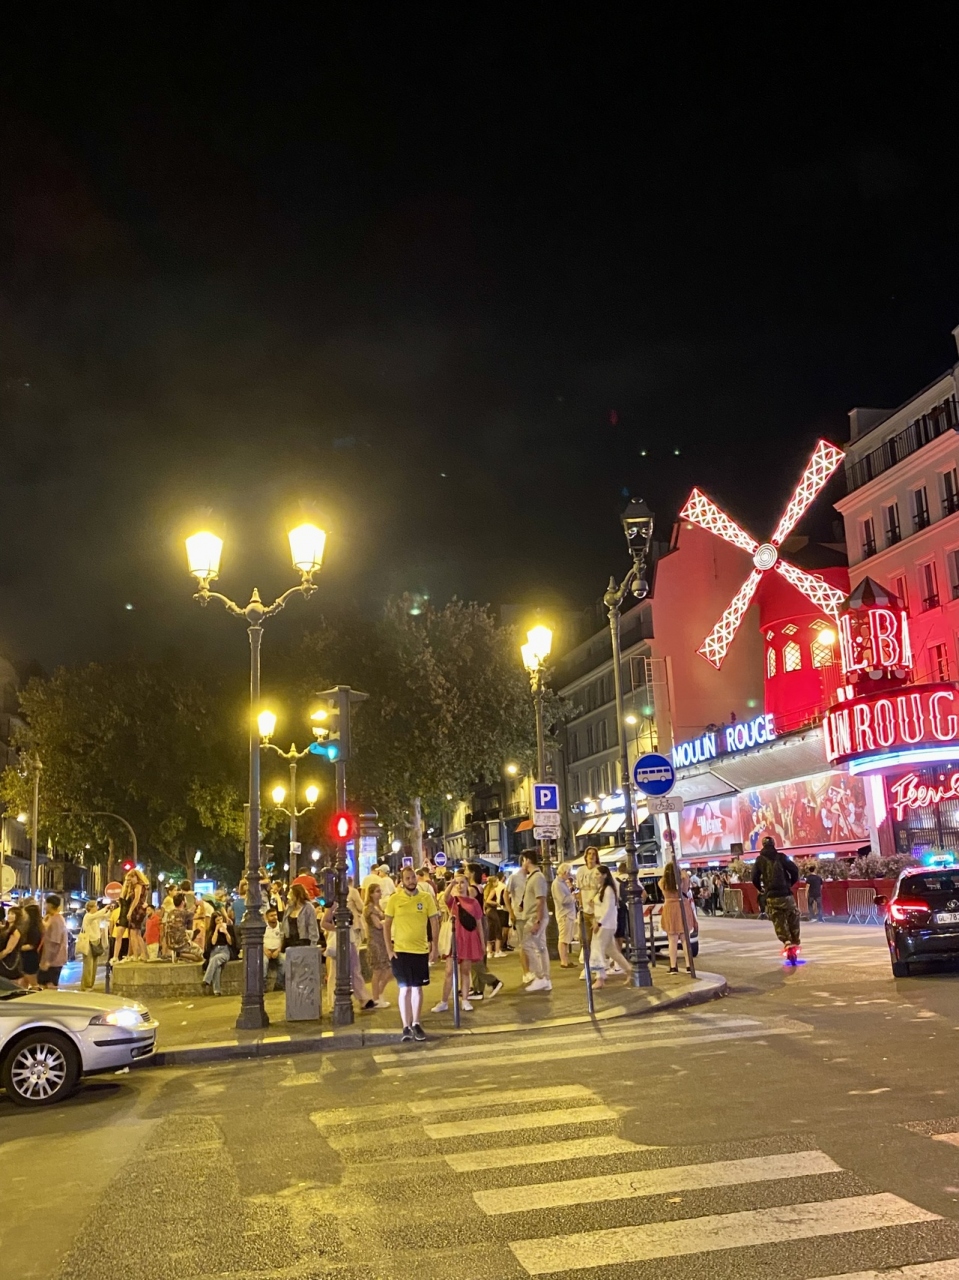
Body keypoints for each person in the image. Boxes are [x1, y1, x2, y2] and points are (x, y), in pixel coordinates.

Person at [383, 864, 439, 1041]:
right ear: (402, 881)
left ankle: (416, 1022)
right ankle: (405, 1026)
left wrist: (435, 947)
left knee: (417, 988)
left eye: (413, 877)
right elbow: (386, 925)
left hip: (420, 950)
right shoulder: (394, 899)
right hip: (401, 951)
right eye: (407, 878)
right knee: (404, 989)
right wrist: (389, 949)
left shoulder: (426, 898)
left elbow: (434, 922)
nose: (411, 881)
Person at [753, 836, 801, 961]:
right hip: (786, 894)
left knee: (778, 919)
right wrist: (790, 883)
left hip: (772, 896)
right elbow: (794, 870)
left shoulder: (759, 860)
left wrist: (761, 889)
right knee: (793, 915)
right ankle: (795, 939)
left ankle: (786, 941)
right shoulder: (781, 857)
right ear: (774, 844)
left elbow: (754, 878)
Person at [592, 865, 631, 986]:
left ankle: (600, 978)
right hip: (605, 923)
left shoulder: (608, 890)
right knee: (612, 951)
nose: (595, 876)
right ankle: (629, 970)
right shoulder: (602, 888)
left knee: (598, 949)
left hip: (605, 924)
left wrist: (599, 923)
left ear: (604, 875)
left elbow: (608, 909)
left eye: (598, 874)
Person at [519, 851, 551, 992]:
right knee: (541, 948)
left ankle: (540, 977)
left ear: (527, 860)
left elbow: (540, 900)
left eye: (523, 861)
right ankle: (546, 979)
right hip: (536, 916)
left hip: (535, 917)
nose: (522, 865)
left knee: (527, 945)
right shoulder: (534, 877)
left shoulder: (537, 877)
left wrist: (537, 920)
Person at [659, 861, 693, 975]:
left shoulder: (662, 882)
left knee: (672, 940)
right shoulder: (683, 880)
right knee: (685, 939)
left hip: (669, 908)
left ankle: (673, 967)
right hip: (682, 906)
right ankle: (689, 965)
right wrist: (681, 873)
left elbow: (663, 885)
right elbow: (686, 884)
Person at [363, 883, 392, 1007]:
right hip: (375, 941)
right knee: (378, 971)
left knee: (388, 969)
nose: (380, 893)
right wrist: (387, 921)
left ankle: (379, 994)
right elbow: (378, 925)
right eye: (377, 891)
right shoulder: (369, 908)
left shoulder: (378, 906)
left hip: (382, 940)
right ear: (371, 894)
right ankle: (376, 998)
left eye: (380, 891)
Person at [202, 909, 238, 995]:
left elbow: (231, 943)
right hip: (214, 951)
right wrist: (216, 930)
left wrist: (226, 933)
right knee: (217, 967)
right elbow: (213, 942)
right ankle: (217, 991)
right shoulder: (210, 931)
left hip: (224, 950)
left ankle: (206, 980)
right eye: (217, 920)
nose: (220, 922)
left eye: (221, 919)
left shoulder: (229, 928)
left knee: (215, 959)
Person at [77, 900, 111, 989]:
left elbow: (104, 917)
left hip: (96, 942)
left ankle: (91, 984)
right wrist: (105, 908)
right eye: (95, 906)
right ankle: (86, 986)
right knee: (88, 965)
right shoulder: (88, 916)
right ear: (90, 908)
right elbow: (98, 915)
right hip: (88, 942)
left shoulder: (95, 917)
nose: (97, 908)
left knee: (94, 965)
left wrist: (110, 910)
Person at [39, 894, 69, 989]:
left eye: (45, 904)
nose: (44, 906)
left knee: (49, 986)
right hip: (52, 959)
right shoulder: (54, 918)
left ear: (50, 905)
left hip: (54, 960)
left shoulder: (56, 920)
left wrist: (48, 960)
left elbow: (54, 942)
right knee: (45, 985)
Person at [504, 861, 529, 974]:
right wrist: (511, 912)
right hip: (520, 915)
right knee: (524, 944)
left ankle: (531, 971)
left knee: (531, 945)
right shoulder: (514, 877)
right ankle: (526, 972)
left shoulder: (532, 876)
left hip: (530, 914)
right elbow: (506, 894)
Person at [552, 863, 577, 967]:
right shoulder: (557, 884)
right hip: (564, 914)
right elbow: (562, 900)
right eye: (569, 873)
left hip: (566, 914)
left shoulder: (561, 883)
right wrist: (573, 897)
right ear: (565, 872)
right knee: (563, 938)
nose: (570, 875)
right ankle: (564, 961)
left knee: (565, 938)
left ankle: (565, 960)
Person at [17, 900, 43, 988]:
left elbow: (32, 945)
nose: (23, 915)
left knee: (33, 982)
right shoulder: (27, 926)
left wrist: (17, 948)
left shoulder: (34, 929)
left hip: (30, 958)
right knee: (24, 981)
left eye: (25, 913)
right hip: (26, 957)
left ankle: (37, 995)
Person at [483, 873, 506, 957]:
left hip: (487, 911)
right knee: (498, 930)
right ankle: (497, 951)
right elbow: (488, 900)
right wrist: (497, 903)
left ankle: (490, 952)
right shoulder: (493, 890)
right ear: (493, 882)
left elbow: (485, 901)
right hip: (492, 911)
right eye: (496, 881)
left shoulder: (485, 889)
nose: (497, 883)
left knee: (490, 930)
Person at [263, 907, 285, 991]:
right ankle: (263, 986)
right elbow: (260, 940)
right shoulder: (263, 927)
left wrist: (278, 950)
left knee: (284, 961)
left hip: (277, 951)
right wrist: (265, 950)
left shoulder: (281, 926)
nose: (274, 917)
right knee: (264, 962)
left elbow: (283, 940)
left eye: (275, 915)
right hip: (265, 951)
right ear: (267, 917)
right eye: (271, 916)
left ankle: (279, 984)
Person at [0, 906, 22, 982]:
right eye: (9, 913)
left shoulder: (15, 931)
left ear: (17, 916)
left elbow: (9, 949)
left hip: (9, 960)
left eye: (12, 914)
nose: (9, 915)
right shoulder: (6, 928)